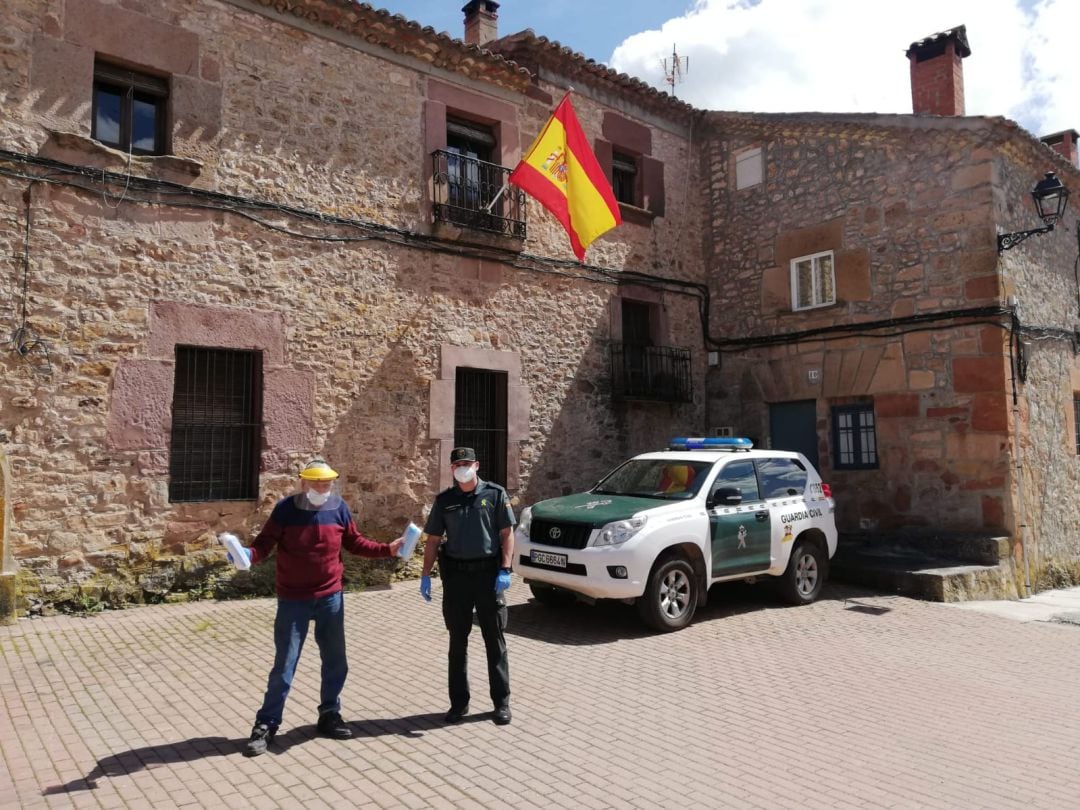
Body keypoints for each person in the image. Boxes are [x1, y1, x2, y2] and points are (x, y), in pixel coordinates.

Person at [234, 458, 404, 757]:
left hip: (330, 598)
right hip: (293, 600)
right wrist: (245, 556)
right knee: (284, 665)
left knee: (336, 660)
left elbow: (354, 542)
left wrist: (386, 549)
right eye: (316, 483)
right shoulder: (286, 509)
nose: (322, 488)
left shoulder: (338, 508)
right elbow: (263, 544)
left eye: (326, 483)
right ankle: (266, 724)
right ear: (303, 482)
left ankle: (329, 714)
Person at [420, 447, 515, 725]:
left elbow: (507, 534)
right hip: (457, 579)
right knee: (457, 643)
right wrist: (425, 574)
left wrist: (506, 568)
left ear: (477, 465)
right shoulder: (445, 500)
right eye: (457, 464)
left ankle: (501, 703)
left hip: (488, 576)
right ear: (451, 469)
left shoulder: (494, 494)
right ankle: (458, 705)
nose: (462, 467)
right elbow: (434, 540)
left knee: (494, 641)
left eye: (466, 463)